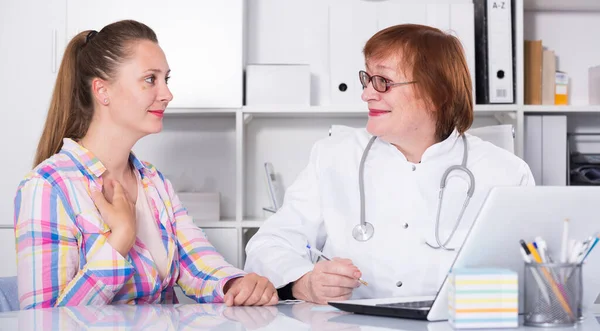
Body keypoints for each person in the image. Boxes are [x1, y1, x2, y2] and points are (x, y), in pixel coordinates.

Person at [244, 24, 534, 305]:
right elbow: (268, 244)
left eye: (383, 81)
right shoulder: (333, 157)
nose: (367, 93)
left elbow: (535, 274)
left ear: (437, 95)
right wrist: (304, 282)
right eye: (367, 79)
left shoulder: (507, 173)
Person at [14, 19, 277, 309]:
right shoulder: (48, 187)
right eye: (150, 79)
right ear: (102, 91)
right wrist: (121, 239)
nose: (167, 94)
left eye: (167, 79)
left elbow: (198, 263)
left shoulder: (154, 183)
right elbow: (42, 321)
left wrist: (238, 285)